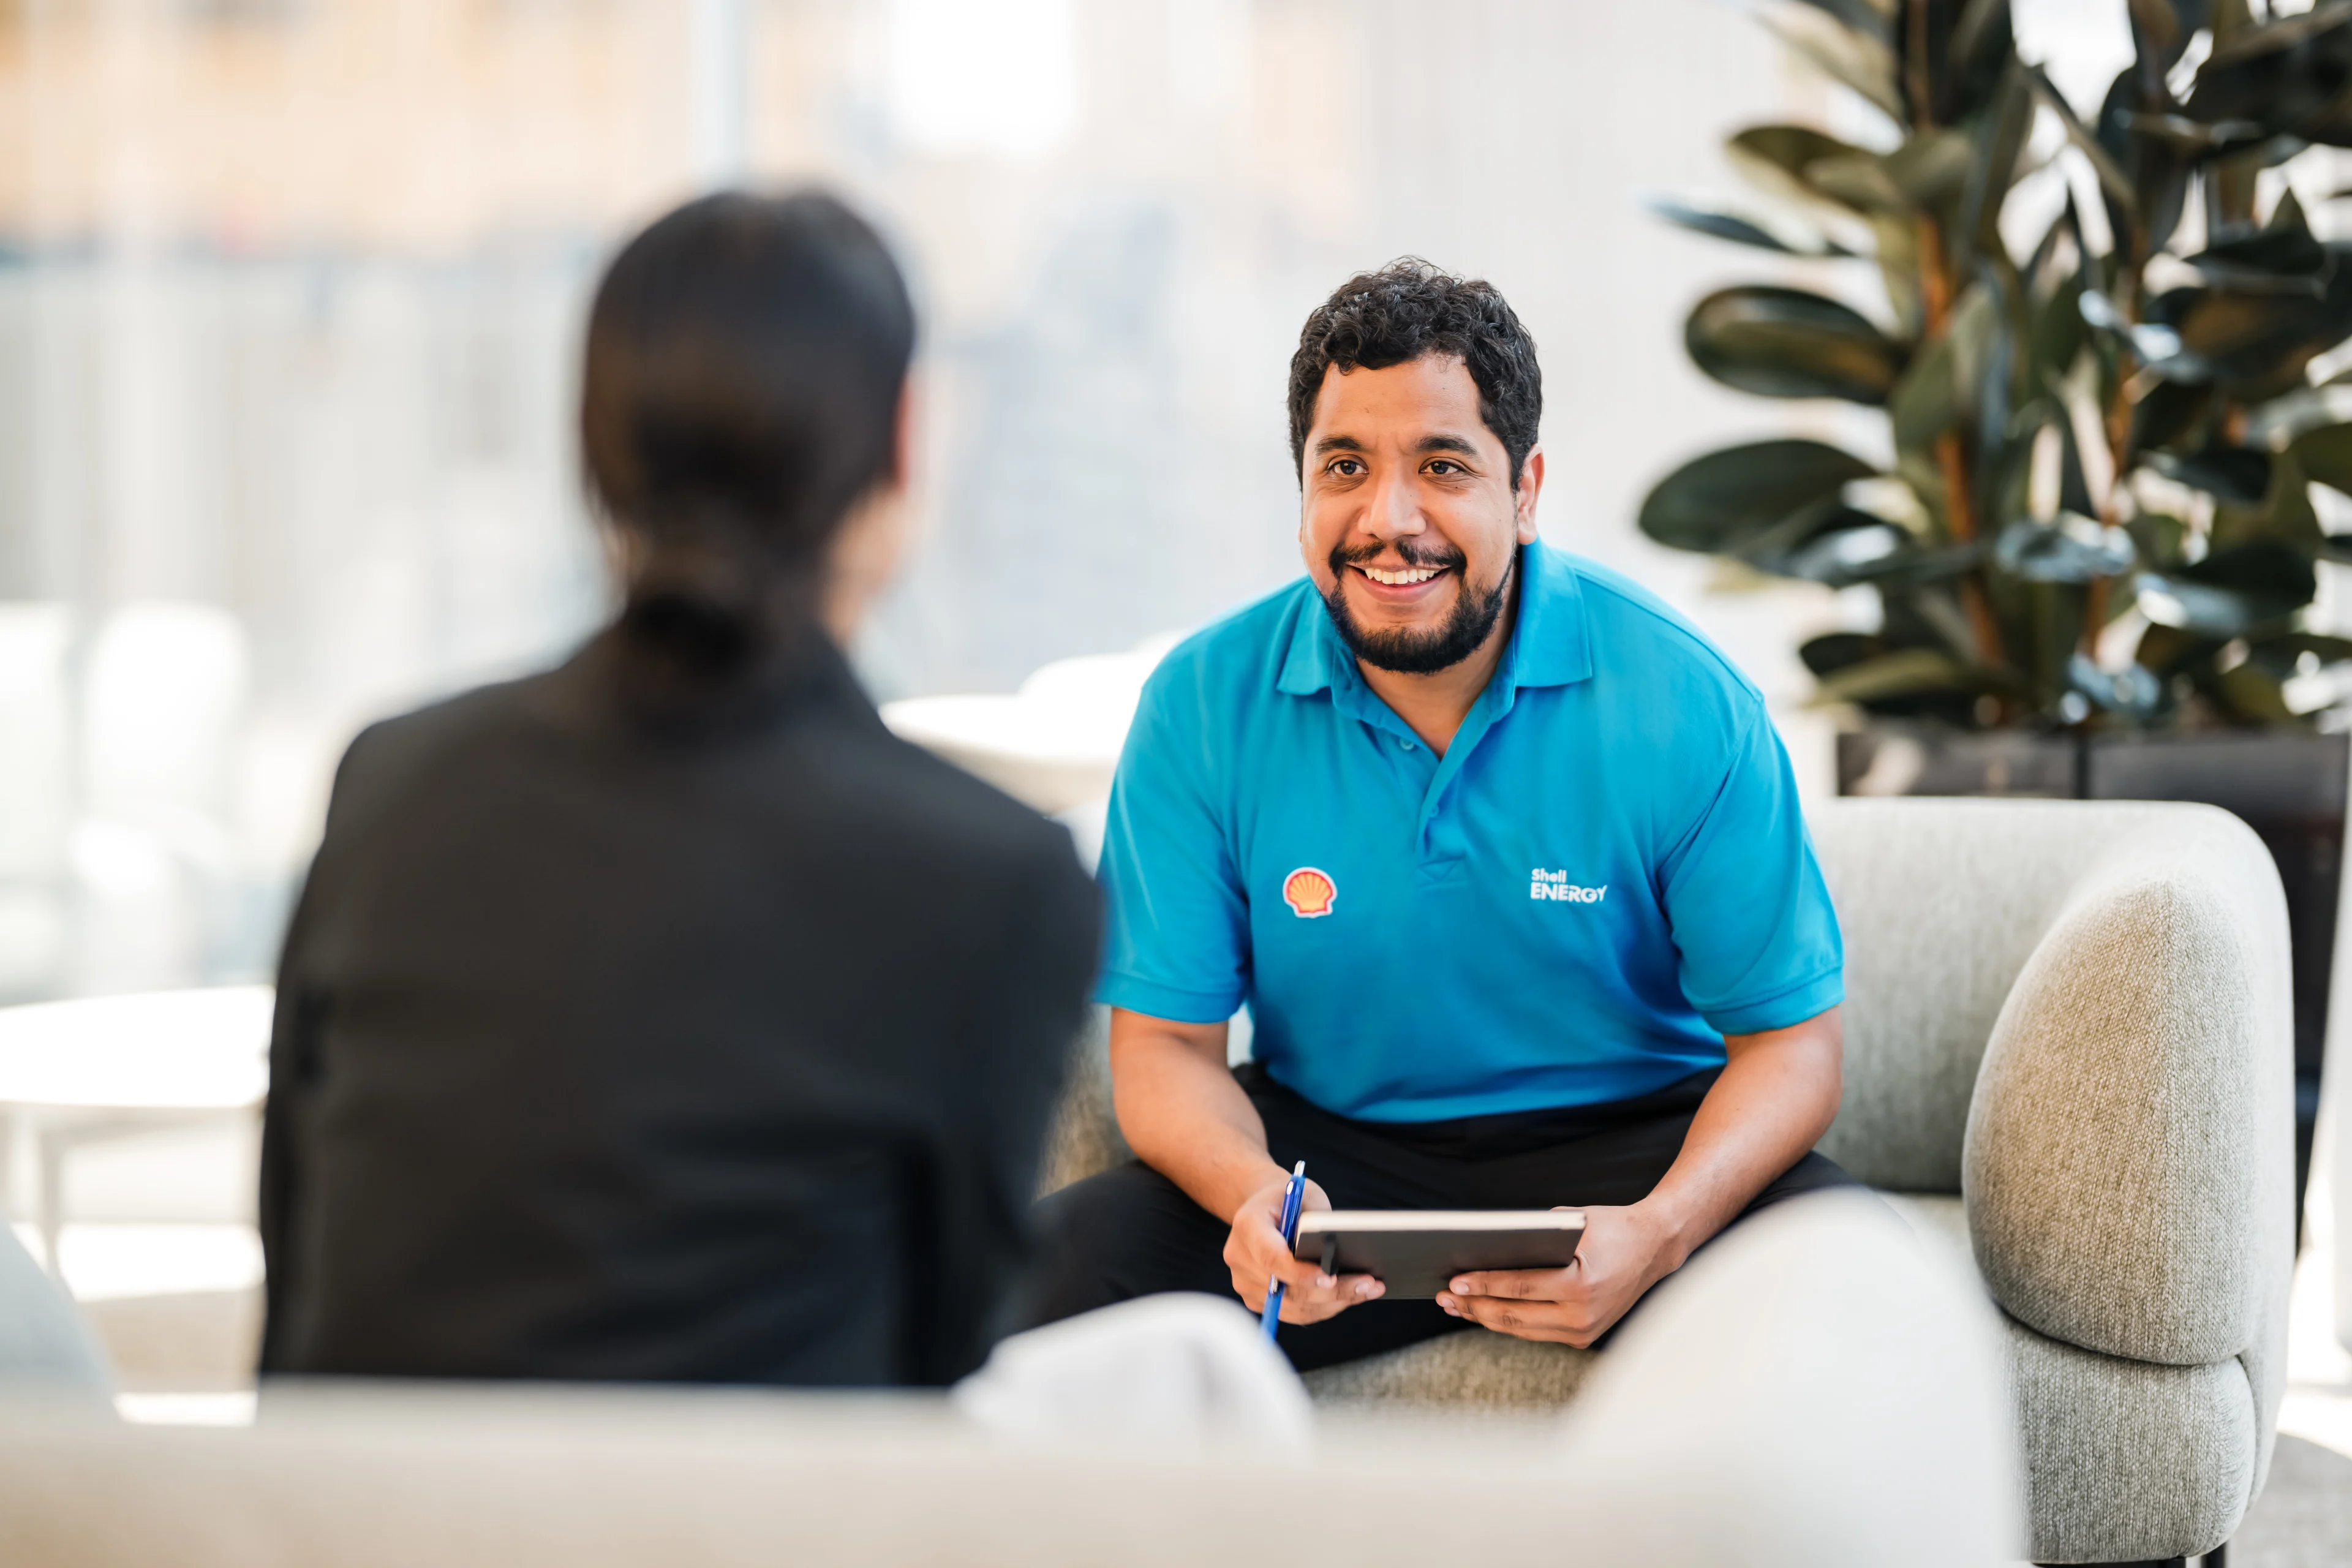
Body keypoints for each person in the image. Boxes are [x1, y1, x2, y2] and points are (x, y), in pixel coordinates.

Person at [258, 192, 1100, 1388]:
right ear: (904, 444)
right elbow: (941, 1371)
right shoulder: (996, 884)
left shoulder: (387, 786)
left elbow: (298, 1290)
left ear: (594, 447)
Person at [1028, 260, 1850, 1370]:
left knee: (1853, 1282)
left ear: (1525, 488)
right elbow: (1167, 1049)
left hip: (1633, 1145)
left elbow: (1793, 1046)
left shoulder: (1684, 699)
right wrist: (1260, 1205)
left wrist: (1659, 1237)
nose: (1389, 519)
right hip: (1332, 1163)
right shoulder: (1200, 706)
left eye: (1443, 466)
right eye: (1346, 467)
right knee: (1050, 1273)